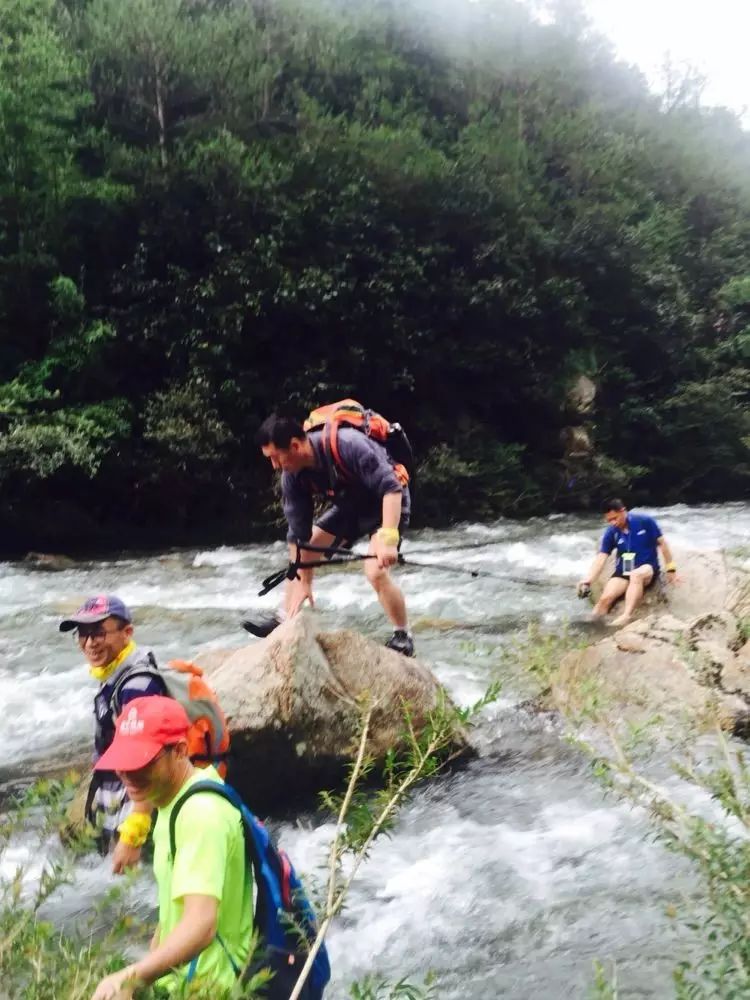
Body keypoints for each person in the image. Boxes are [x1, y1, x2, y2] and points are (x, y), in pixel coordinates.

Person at [89, 696, 253, 1000]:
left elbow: (202, 924)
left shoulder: (201, 814)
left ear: (179, 751)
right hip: (184, 983)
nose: (127, 774)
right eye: (122, 762)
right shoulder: (171, 800)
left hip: (212, 990)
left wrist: (131, 977)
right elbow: (177, 908)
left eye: (141, 762)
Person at [254, 413, 415, 656]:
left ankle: (403, 636)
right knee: (300, 557)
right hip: (351, 507)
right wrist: (305, 581)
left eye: (275, 458)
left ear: (295, 446)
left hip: (388, 502)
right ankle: (284, 619)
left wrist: (389, 540)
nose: (274, 466)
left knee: (375, 570)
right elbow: (298, 536)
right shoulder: (293, 477)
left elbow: (391, 488)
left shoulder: (349, 444)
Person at [59, 594, 166, 873]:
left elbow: (150, 758)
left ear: (127, 633)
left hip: (135, 808)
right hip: (115, 800)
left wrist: (134, 832)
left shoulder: (138, 685)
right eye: (83, 634)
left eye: (98, 633)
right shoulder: (114, 674)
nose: (89, 643)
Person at [577, 499, 678, 627]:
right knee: (605, 599)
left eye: (615, 518)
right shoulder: (611, 532)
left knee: (636, 575)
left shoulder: (645, 521)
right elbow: (601, 558)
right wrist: (588, 581)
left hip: (646, 567)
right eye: (609, 520)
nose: (613, 523)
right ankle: (592, 626)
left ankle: (627, 615)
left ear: (623, 511)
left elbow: (663, 544)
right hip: (625, 568)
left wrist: (671, 569)